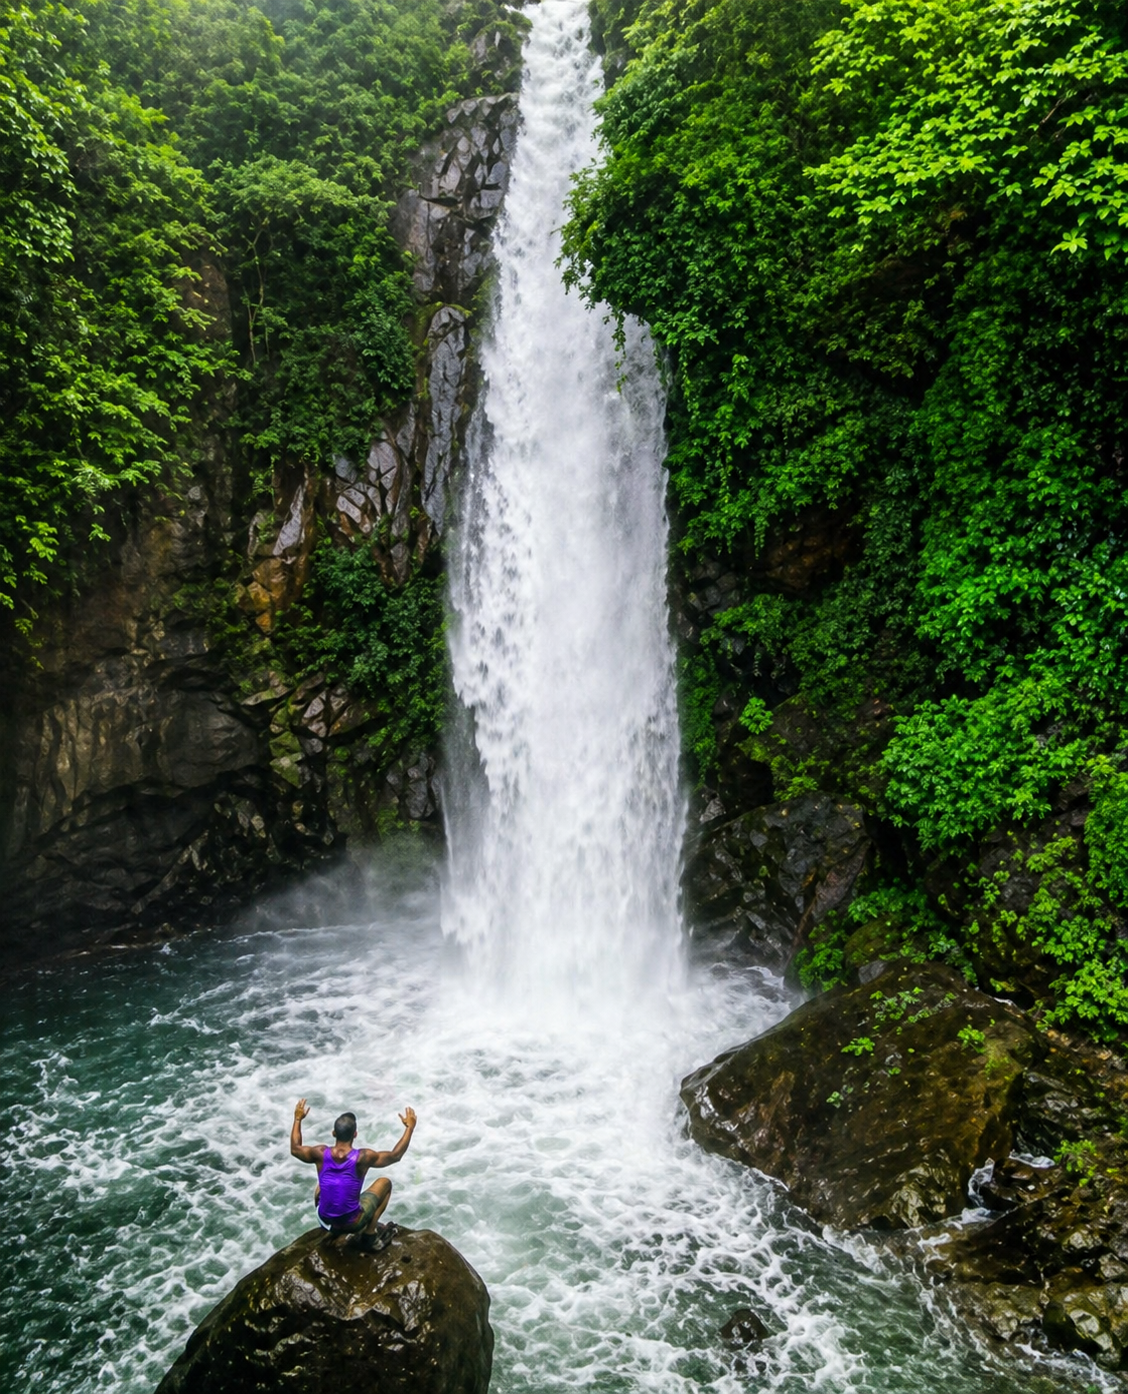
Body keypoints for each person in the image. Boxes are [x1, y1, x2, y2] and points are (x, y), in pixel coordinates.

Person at [290, 1098, 417, 1251]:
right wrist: (410, 1127)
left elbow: (295, 1148)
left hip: (324, 1219)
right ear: (355, 1134)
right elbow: (395, 1155)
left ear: (333, 1133)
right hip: (353, 1223)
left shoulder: (320, 1153)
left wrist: (298, 1119)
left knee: (320, 1187)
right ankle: (370, 1234)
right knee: (385, 1183)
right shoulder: (363, 1157)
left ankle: (330, 1229)